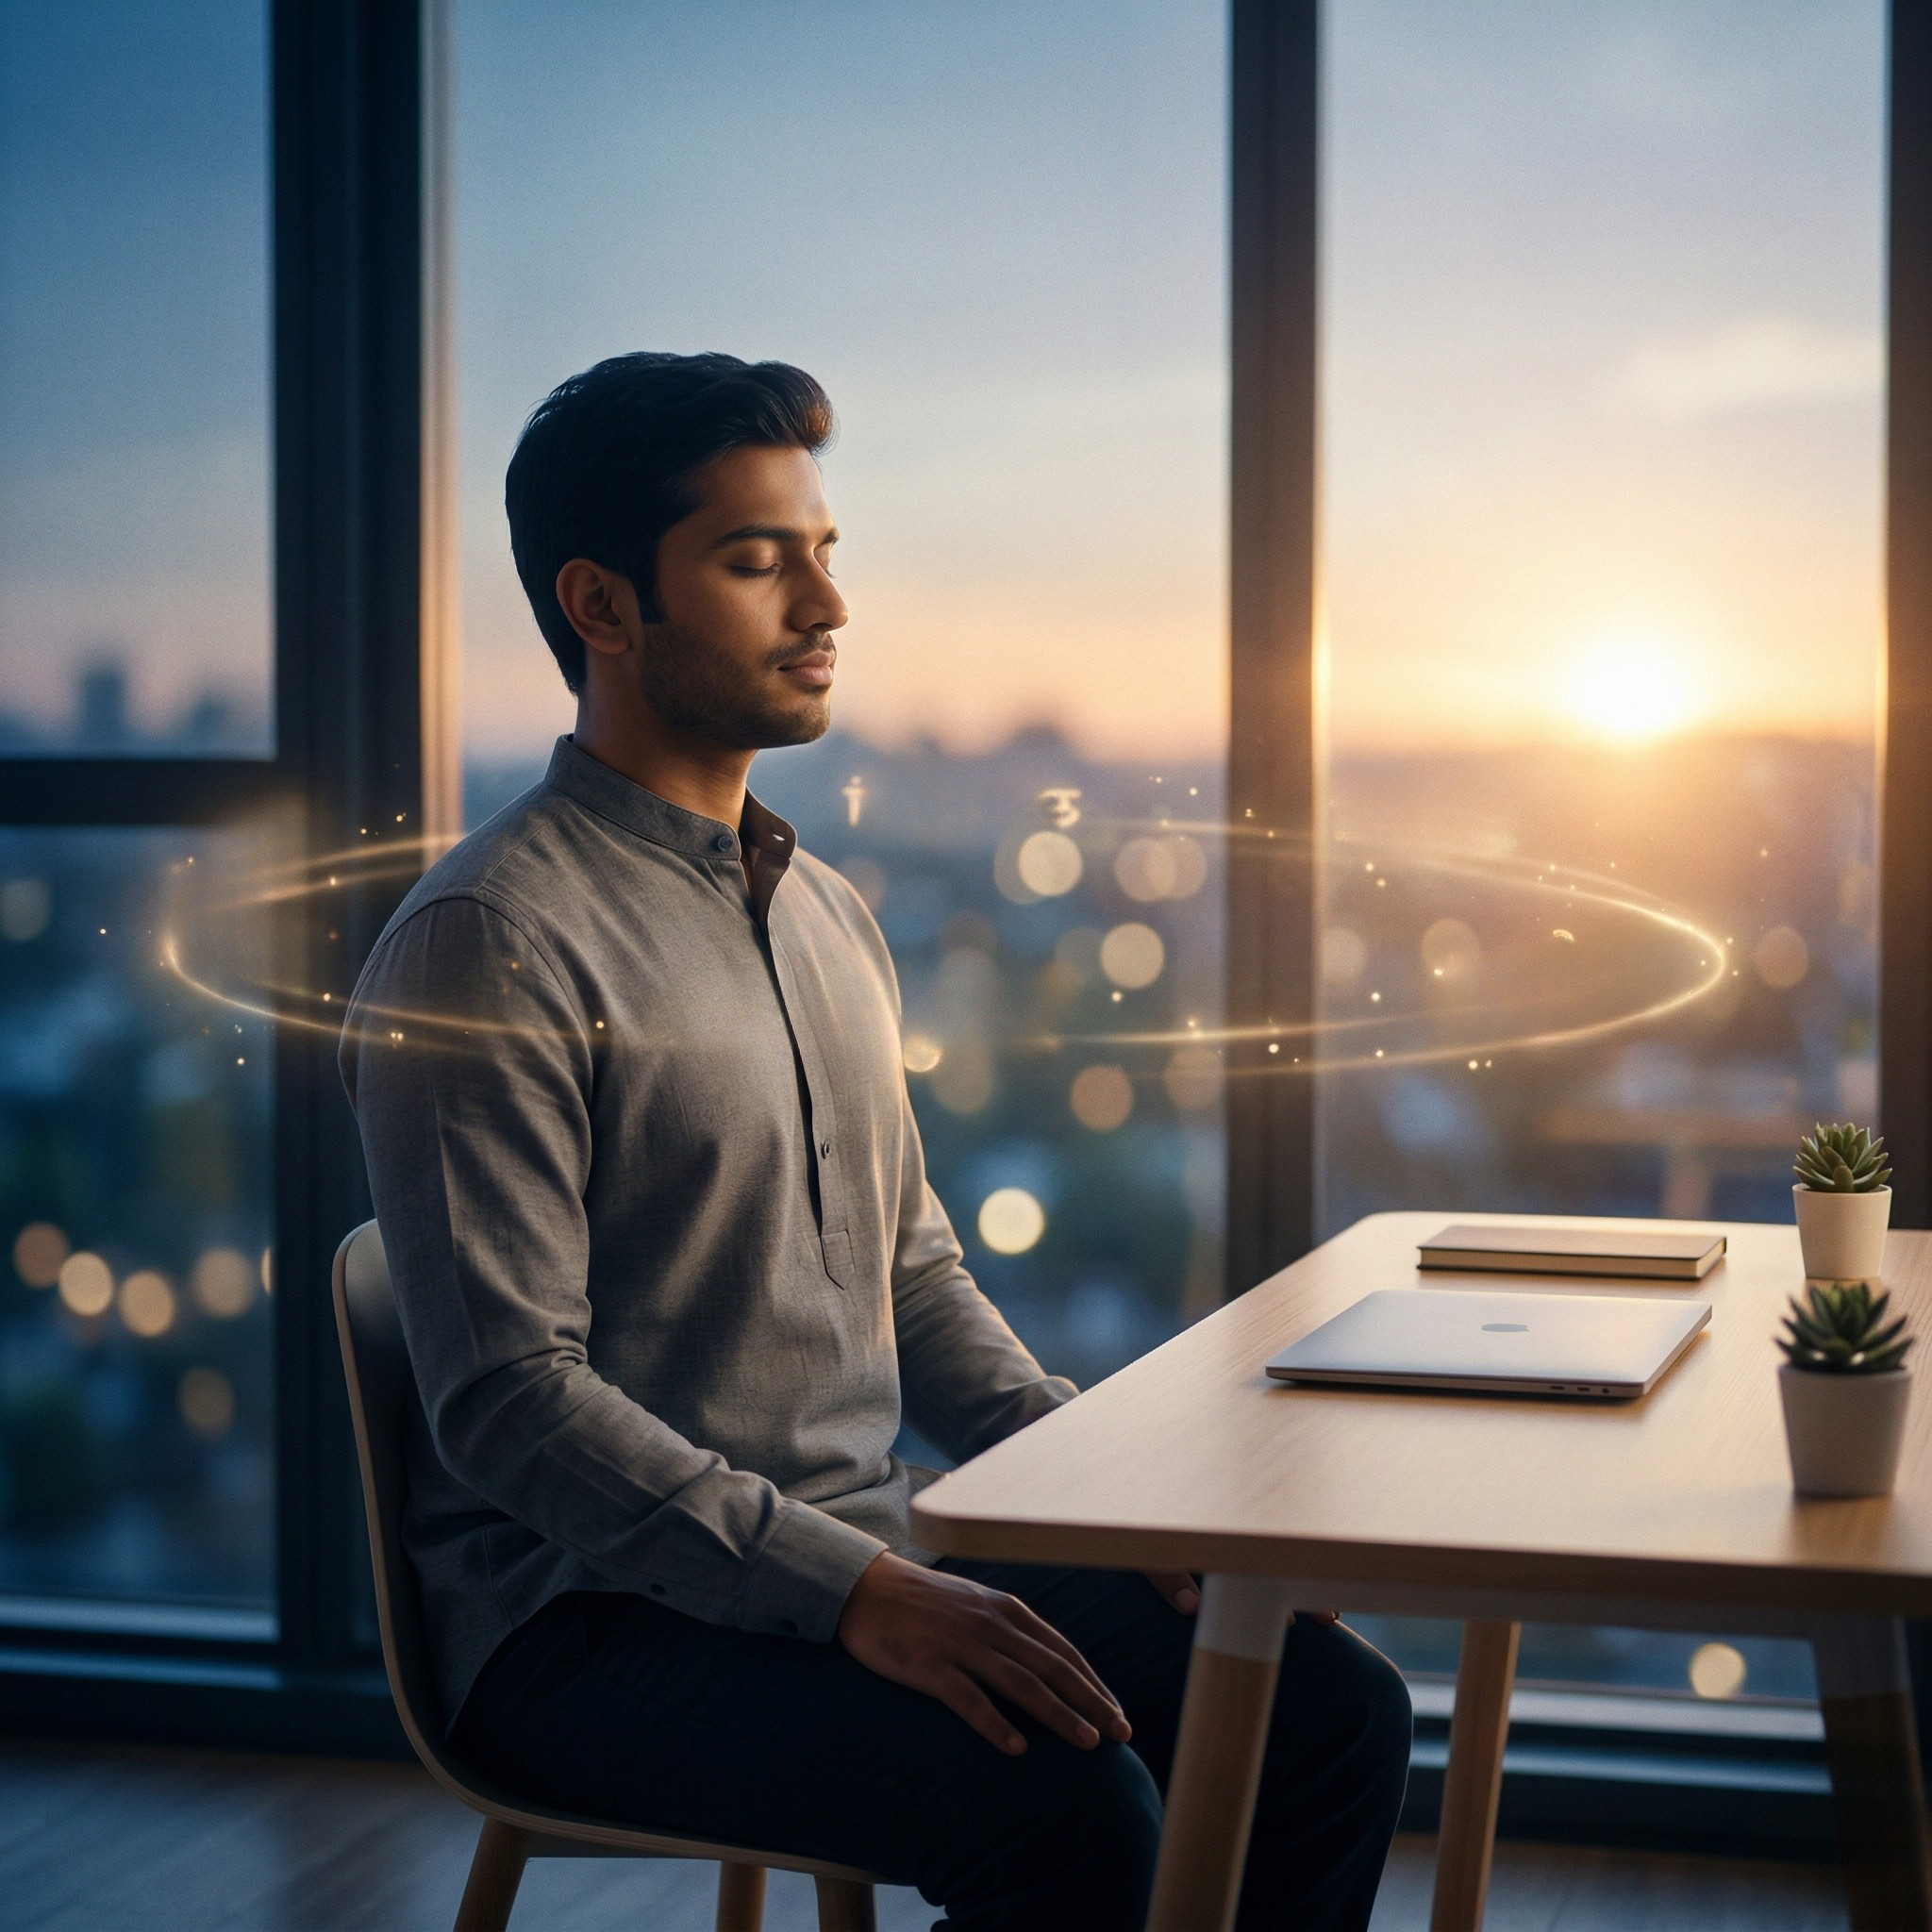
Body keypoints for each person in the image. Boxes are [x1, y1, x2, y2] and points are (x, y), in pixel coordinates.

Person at [340, 351, 1409, 1930]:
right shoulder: (490, 940)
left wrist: (1113, 1503)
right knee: (1056, 1805)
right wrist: (857, 1596)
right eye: (757, 560)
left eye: (825, 554)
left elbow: (911, 1276)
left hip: (861, 1545)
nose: (826, 607)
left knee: (1324, 1713)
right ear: (604, 605)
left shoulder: (827, 912)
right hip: (580, 1623)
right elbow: (510, 1407)